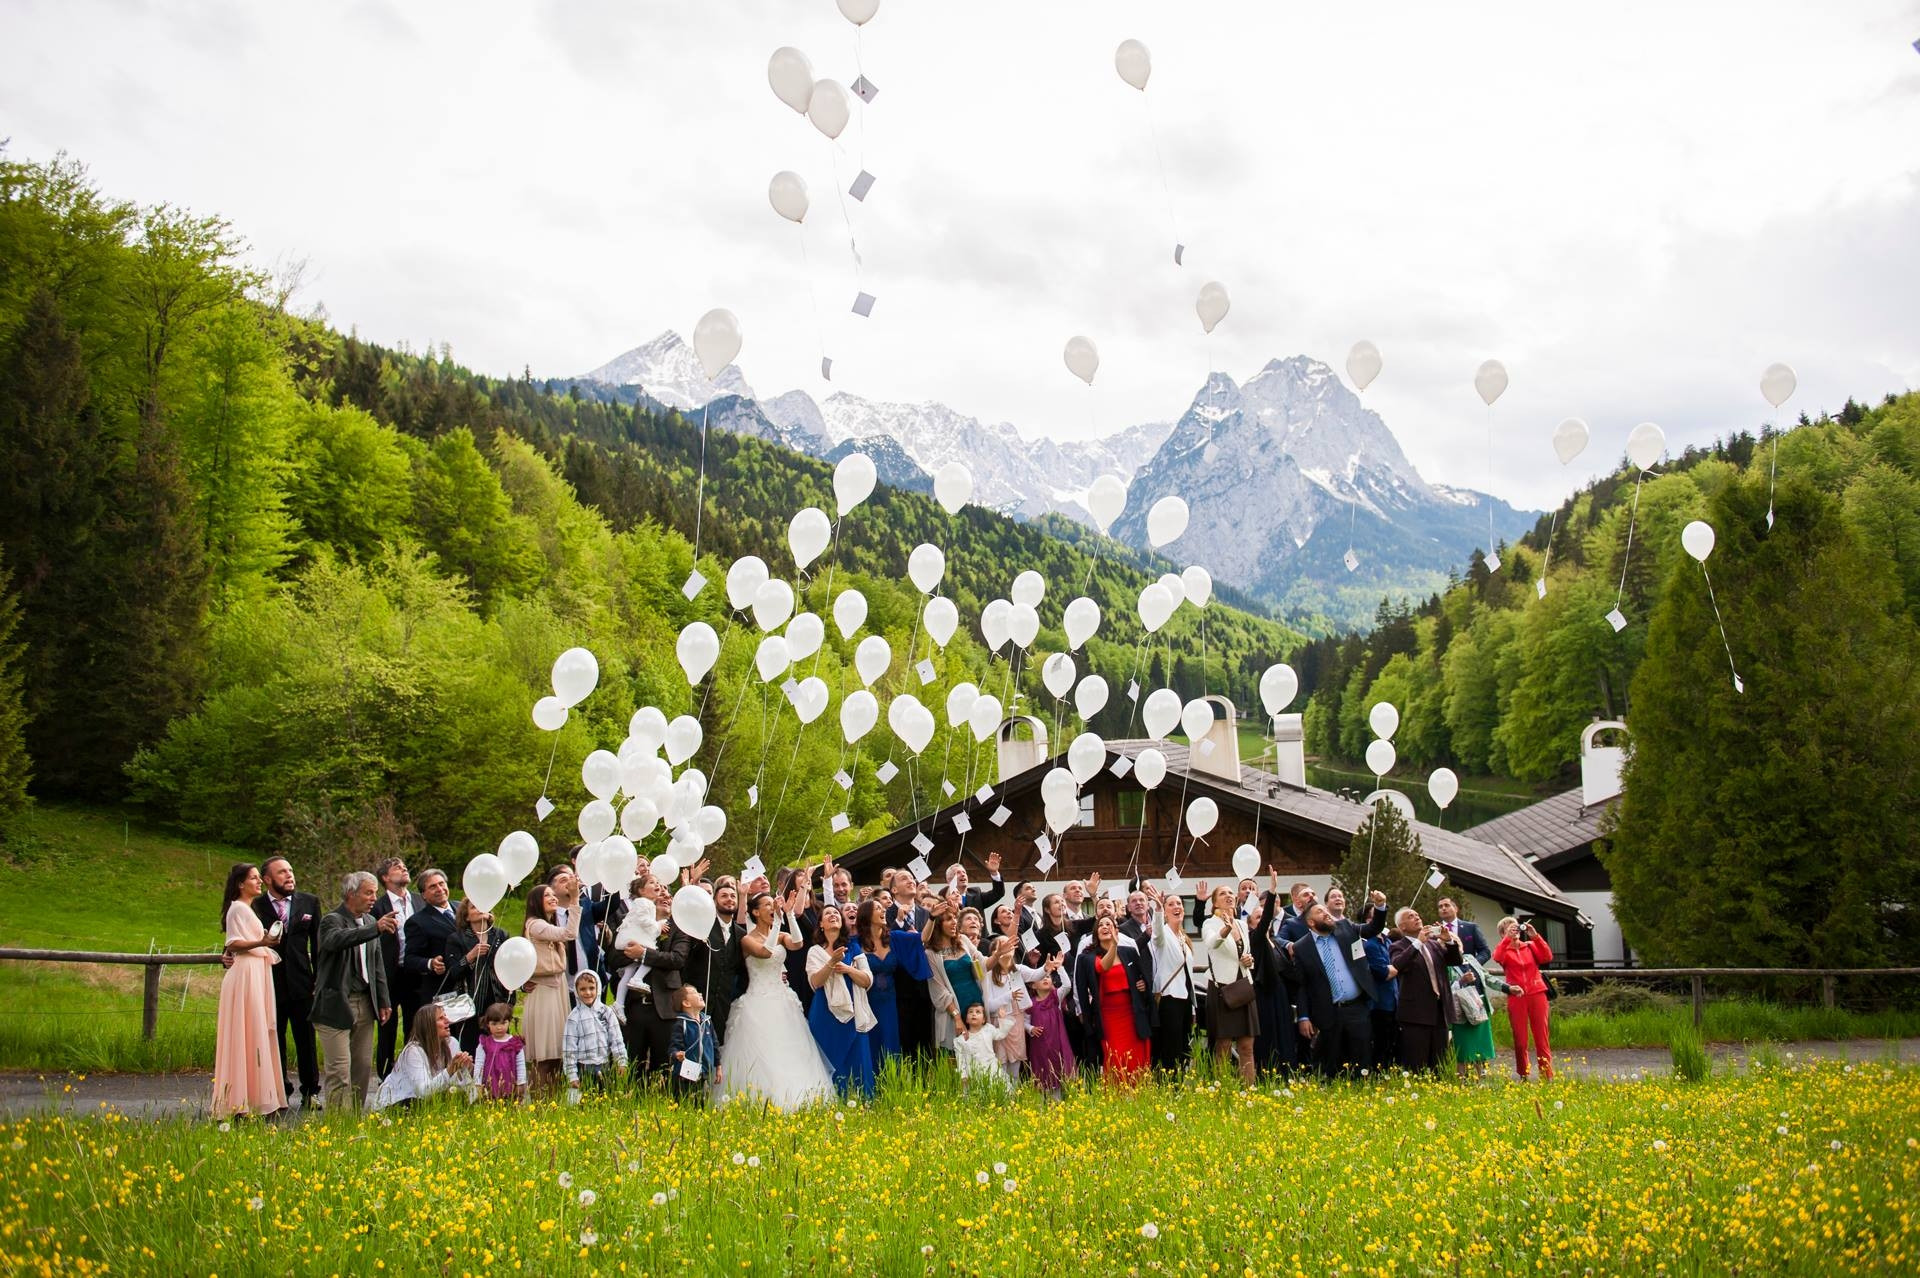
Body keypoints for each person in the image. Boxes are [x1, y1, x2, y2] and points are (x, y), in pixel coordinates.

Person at [719, 890, 836, 1110]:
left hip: (783, 999)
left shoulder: (780, 934)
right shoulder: (746, 939)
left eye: (774, 904)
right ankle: (760, 1101)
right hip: (757, 1001)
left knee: (790, 1048)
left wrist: (789, 915)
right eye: (767, 905)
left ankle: (798, 1098)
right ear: (755, 911)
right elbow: (765, 952)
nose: (773, 908)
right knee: (761, 1051)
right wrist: (777, 925)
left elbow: (798, 943)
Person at [1277, 891, 1389, 1080]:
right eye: (1320, 912)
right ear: (1311, 923)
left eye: (1326, 911)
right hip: (1328, 1012)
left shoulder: (1346, 927)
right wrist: (1304, 1016)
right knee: (1332, 1062)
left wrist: (1380, 907)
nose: (1327, 914)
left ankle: (1363, 1094)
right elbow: (1302, 985)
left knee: (1361, 1058)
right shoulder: (1301, 948)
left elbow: (1373, 928)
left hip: (1356, 1007)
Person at [312, 871, 394, 1114]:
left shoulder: (370, 921)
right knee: (339, 1069)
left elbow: (376, 964)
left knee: (361, 1067)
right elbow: (336, 940)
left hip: (365, 1003)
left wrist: (383, 1000)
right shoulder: (332, 920)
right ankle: (337, 1124)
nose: (373, 898)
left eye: (375, 893)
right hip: (336, 1004)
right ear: (351, 893)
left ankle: (354, 1120)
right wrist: (375, 929)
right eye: (368, 892)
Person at [212, 863, 287, 1119]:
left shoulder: (247, 909)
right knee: (247, 1031)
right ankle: (240, 1101)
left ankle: (255, 1097)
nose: (259, 882)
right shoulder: (237, 908)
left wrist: (263, 941)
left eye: (259, 877)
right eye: (253, 878)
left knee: (258, 1031)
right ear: (240, 884)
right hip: (246, 975)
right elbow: (232, 942)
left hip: (256, 972)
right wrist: (262, 941)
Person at [253, 856, 320, 1110]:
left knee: (306, 1039)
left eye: (291, 870)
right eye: (282, 872)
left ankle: (311, 1091)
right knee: (274, 1037)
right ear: (267, 879)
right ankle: (279, 1089)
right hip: (269, 982)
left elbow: (318, 943)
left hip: (303, 983)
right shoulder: (256, 906)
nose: (289, 875)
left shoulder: (309, 902)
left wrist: (318, 978)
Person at [620, 876, 693, 1082]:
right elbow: (615, 955)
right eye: (661, 895)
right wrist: (629, 951)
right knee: (635, 1064)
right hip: (635, 1006)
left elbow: (677, 959)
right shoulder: (636, 921)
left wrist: (643, 953)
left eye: (669, 897)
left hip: (664, 1006)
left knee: (663, 1065)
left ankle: (662, 1106)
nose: (665, 898)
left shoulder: (679, 929)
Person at [806, 905, 876, 1097]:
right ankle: (830, 1101)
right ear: (820, 924)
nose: (833, 915)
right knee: (829, 1056)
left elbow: (867, 980)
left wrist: (848, 969)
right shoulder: (814, 951)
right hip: (824, 1013)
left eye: (836, 913)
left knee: (856, 1057)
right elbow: (815, 982)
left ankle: (861, 1101)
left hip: (854, 1012)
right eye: (827, 913)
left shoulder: (853, 948)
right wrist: (831, 962)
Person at [1387, 907, 1464, 1075]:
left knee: (1440, 1062)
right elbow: (1399, 965)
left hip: (1439, 1010)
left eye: (1417, 914)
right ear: (1402, 927)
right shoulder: (1397, 946)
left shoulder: (1434, 944)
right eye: (1411, 916)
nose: (1417, 917)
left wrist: (1449, 941)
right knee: (1417, 1063)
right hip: (1415, 1014)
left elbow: (1455, 960)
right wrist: (1418, 943)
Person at [1075, 916, 1151, 1085]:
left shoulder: (1129, 952)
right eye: (1100, 925)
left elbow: (1142, 977)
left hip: (1132, 1014)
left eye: (1109, 924)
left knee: (1136, 1057)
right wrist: (1114, 945)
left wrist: (1142, 985)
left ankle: (1139, 1095)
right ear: (1096, 933)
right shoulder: (1088, 956)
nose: (1104, 927)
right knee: (1117, 1056)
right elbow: (1103, 967)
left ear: (1117, 930)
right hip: (1109, 1016)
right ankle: (1116, 1098)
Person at [521, 881, 580, 1097]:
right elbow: (569, 934)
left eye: (553, 894)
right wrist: (574, 899)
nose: (553, 897)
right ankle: (540, 1101)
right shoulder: (536, 924)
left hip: (557, 988)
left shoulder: (545, 924)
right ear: (536, 902)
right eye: (547, 895)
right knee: (544, 1054)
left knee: (556, 1053)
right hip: (544, 991)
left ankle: (551, 1101)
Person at [854, 899, 930, 1063]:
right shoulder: (855, 943)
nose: (883, 911)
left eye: (883, 908)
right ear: (866, 915)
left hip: (890, 1001)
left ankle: (892, 1083)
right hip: (866, 1001)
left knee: (890, 1041)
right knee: (871, 1044)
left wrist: (932, 918)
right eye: (878, 908)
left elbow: (922, 938)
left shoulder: (894, 938)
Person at [1199, 885, 1258, 1083]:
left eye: (1231, 893)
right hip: (1222, 988)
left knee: (1247, 1046)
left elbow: (1243, 954)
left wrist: (1249, 960)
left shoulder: (1242, 924)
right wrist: (1225, 929)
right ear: (1215, 902)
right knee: (1223, 1046)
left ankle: (1249, 1093)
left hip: (1243, 986)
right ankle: (1223, 1091)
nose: (1229, 896)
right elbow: (1211, 943)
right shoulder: (1210, 924)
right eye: (1223, 893)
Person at [369, 857, 422, 1076]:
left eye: (404, 866)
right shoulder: (377, 906)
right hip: (389, 974)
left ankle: (413, 1076)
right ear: (385, 877)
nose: (404, 869)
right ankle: (385, 1078)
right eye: (397, 868)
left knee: (415, 1028)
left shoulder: (420, 901)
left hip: (415, 974)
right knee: (387, 1029)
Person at [373, 1004, 471, 1111]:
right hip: (397, 1103)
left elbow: (458, 1087)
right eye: (441, 1018)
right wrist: (449, 1070)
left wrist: (466, 1070)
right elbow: (423, 1092)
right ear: (428, 1025)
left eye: (446, 1016)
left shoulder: (452, 1043)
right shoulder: (413, 1051)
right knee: (418, 1103)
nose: (447, 1020)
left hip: (425, 1103)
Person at [443, 900, 510, 1055]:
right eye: (474, 907)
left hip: (497, 1000)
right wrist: (470, 956)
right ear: (466, 917)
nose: (481, 907)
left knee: (499, 1047)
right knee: (471, 1048)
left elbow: (508, 967)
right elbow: (453, 973)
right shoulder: (456, 938)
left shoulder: (501, 935)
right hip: (469, 1005)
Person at [1493, 916, 1555, 1080]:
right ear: (1502, 934)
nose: (1514, 930)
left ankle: (1546, 1074)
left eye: (1515, 927)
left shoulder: (1530, 946)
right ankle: (1524, 1074)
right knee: (1520, 1039)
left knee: (1541, 1036)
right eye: (1508, 928)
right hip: (1517, 995)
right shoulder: (1504, 950)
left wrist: (1535, 936)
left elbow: (1547, 957)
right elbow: (1497, 957)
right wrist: (1507, 939)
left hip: (1537, 993)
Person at [1144, 887, 1197, 1073]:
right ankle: (1168, 1085)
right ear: (1166, 912)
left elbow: (1188, 975)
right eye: (1171, 904)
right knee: (1169, 1048)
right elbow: (1156, 934)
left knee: (1183, 1047)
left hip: (1184, 999)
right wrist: (1157, 909)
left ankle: (1179, 1084)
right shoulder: (1162, 934)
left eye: (1180, 904)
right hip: (1168, 998)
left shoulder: (1184, 938)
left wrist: (1192, 1007)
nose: (1177, 907)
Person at [924, 901, 985, 1051]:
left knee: (981, 1056)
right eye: (948, 919)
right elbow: (939, 990)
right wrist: (957, 1017)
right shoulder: (930, 953)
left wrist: (998, 954)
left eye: (955, 918)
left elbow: (981, 964)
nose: (954, 922)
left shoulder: (963, 940)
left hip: (975, 1003)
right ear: (938, 924)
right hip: (953, 1009)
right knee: (957, 1058)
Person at [401, 869, 461, 1015]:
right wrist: (430, 963)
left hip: (469, 985)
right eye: (433, 887)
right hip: (444, 989)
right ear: (423, 895)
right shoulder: (417, 922)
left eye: (441, 884)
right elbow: (409, 959)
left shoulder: (462, 908)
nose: (439, 889)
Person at [562, 971, 628, 1097]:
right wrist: (571, 1075)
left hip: (604, 1066)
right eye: (582, 989)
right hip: (584, 1068)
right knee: (586, 1102)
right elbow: (568, 1049)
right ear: (576, 991)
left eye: (591, 988)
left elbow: (616, 1040)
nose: (587, 993)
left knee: (605, 1099)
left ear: (597, 988)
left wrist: (621, 1061)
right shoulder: (574, 1017)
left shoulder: (606, 1012)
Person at [980, 936, 1033, 1085]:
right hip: (999, 1022)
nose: (1007, 947)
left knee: (1015, 1064)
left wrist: (1050, 967)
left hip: (1016, 1022)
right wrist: (1008, 997)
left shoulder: (1018, 970)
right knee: (1000, 1064)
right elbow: (988, 1006)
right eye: (1002, 944)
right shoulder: (989, 975)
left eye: (1009, 944)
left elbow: (1037, 974)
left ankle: (1014, 1099)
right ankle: (1003, 1098)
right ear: (994, 952)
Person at [1023, 966, 1076, 1098]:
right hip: (1039, 1045)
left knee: (1056, 1067)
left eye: (1047, 976)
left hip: (1056, 1043)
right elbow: (1024, 1021)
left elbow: (1067, 985)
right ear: (1033, 985)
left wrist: (1060, 967)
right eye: (1041, 977)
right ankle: (1040, 1104)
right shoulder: (1030, 1003)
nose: (1045, 978)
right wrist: (1030, 1029)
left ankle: (1056, 1101)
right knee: (1040, 1068)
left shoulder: (1055, 997)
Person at [670, 984, 720, 1104]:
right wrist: (677, 1054)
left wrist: (718, 1066)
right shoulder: (681, 1024)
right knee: (682, 1103)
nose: (700, 994)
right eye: (695, 992)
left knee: (701, 1104)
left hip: (704, 1072)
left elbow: (715, 1044)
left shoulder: (707, 1021)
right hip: (684, 1074)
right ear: (686, 1003)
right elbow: (674, 1046)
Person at [1449, 958, 1497, 1078]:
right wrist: (1461, 981)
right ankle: (1461, 1080)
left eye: (1458, 942)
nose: (1456, 944)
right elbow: (1445, 989)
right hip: (1460, 1010)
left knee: (1480, 1046)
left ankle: (1480, 1079)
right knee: (1463, 1047)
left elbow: (1487, 977)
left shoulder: (1470, 958)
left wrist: (1508, 988)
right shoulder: (1446, 964)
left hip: (1478, 1006)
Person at [952, 1003, 1012, 1096]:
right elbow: (960, 1059)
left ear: (983, 1019)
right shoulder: (961, 1040)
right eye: (970, 1012)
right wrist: (963, 1076)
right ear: (967, 1019)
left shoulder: (988, 1029)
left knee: (995, 1094)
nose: (974, 1014)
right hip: (973, 1073)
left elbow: (1001, 1034)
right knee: (976, 1097)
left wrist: (1002, 1019)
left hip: (992, 1070)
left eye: (978, 1012)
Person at [1363, 925, 1400, 1074]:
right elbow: (1383, 973)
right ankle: (1377, 1075)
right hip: (1380, 1004)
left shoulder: (1387, 942)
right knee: (1380, 1043)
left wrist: (1393, 967)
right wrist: (1397, 966)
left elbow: (1393, 967)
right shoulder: (1370, 945)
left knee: (1391, 1042)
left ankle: (1387, 1074)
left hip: (1393, 1000)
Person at [472, 1003, 527, 1101]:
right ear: (488, 1024)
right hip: (489, 1087)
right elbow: (479, 1065)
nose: (499, 1027)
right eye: (494, 1024)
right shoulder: (484, 1044)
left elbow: (520, 1065)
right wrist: (478, 1083)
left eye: (503, 1023)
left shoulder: (515, 1043)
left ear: (509, 1022)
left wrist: (521, 1083)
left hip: (511, 1086)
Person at [1437, 898, 1491, 964]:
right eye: (1440, 907)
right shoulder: (1434, 930)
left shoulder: (1471, 927)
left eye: (1447, 905)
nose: (1444, 908)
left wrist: (1473, 964)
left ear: (1456, 909)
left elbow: (1485, 951)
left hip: (1467, 971)